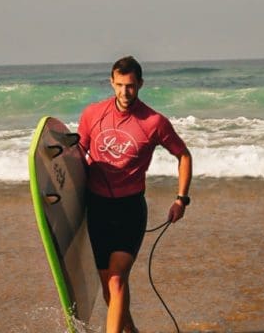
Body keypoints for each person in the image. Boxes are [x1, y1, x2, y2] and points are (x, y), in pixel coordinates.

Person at [78, 56, 192, 333]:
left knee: (117, 280)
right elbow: (77, 154)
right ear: (111, 82)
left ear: (140, 84)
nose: (124, 92)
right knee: (110, 288)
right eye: (119, 85)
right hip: (97, 208)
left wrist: (181, 199)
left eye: (130, 86)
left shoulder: (154, 122)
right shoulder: (93, 114)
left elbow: (183, 155)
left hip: (129, 210)